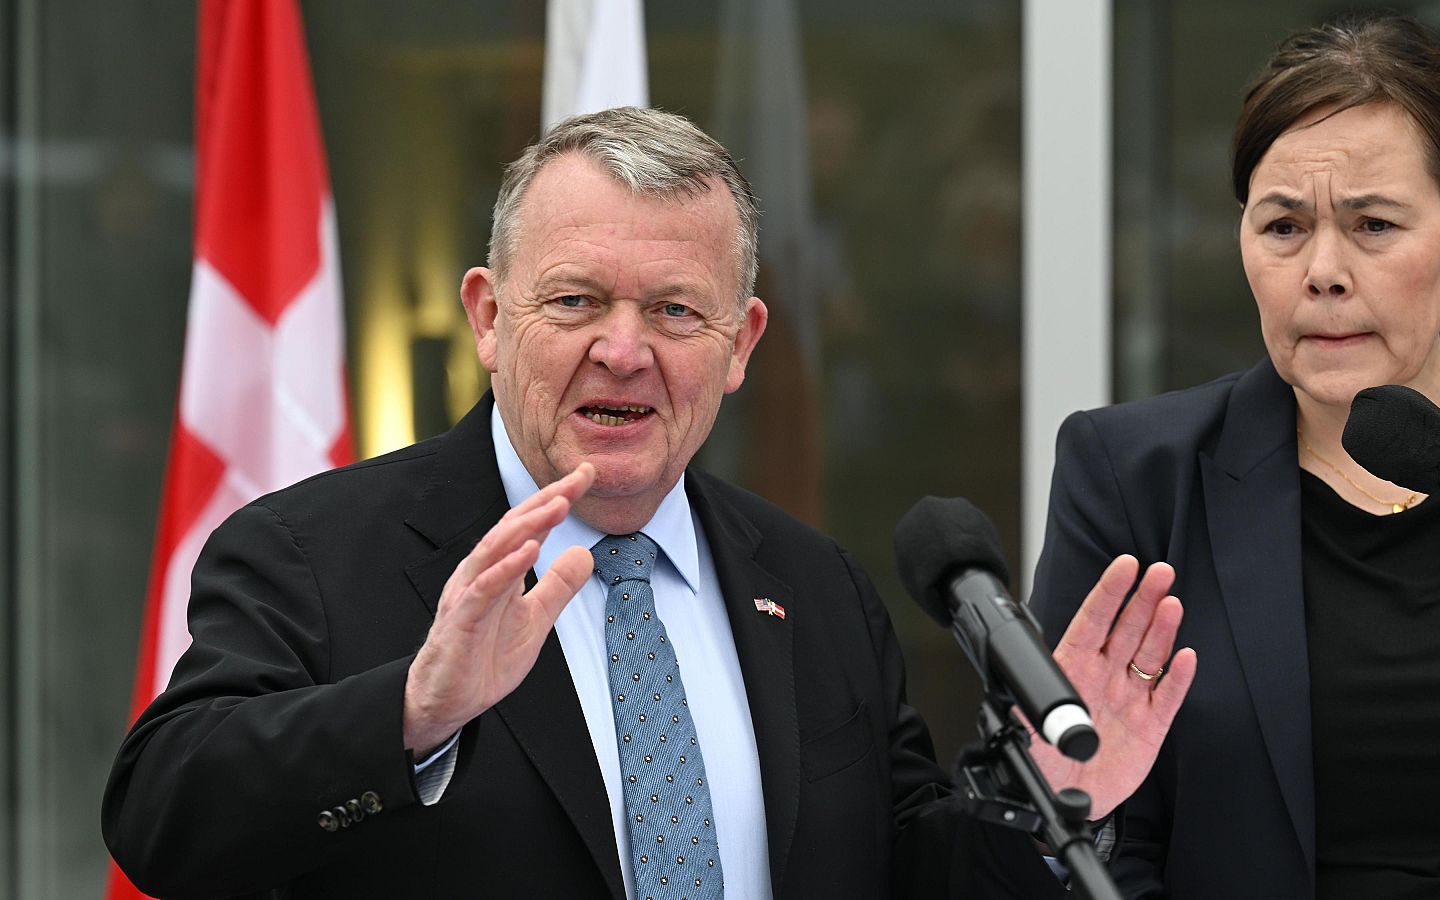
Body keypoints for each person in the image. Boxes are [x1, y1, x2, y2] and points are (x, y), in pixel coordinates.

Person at [104, 106, 1192, 899]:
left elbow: (905, 871)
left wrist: (1045, 800)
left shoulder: (811, 586)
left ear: (739, 346)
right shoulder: (310, 552)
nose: (621, 352)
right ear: (488, 317)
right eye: (574, 301)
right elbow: (163, 821)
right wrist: (413, 714)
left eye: (675, 311)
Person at [1029, 14, 1440, 900]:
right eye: (1285, 227)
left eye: (1373, 225)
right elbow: (1082, 830)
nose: (1324, 271)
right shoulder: (1135, 477)